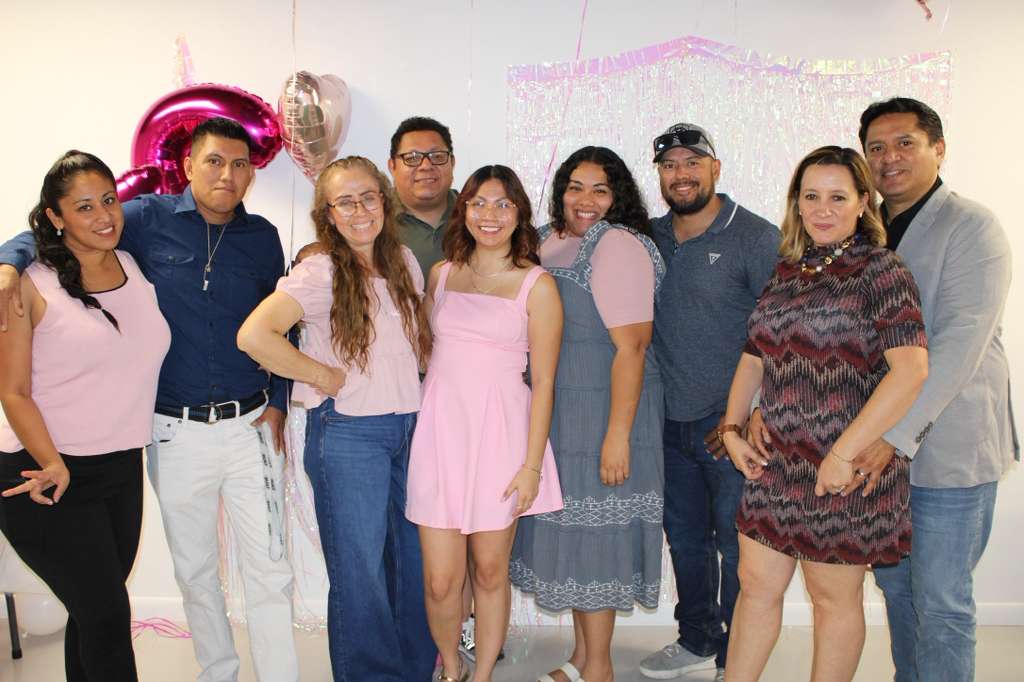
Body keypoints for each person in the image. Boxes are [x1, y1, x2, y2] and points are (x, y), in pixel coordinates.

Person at [0, 117, 299, 682]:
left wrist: (280, 399)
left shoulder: (261, 238)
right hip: (172, 432)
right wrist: (7, 263)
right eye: (214, 161)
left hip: (247, 425)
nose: (227, 175)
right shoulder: (142, 221)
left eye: (240, 165)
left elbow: (283, 322)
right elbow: (50, 234)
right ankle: (219, 674)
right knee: (192, 572)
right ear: (187, 165)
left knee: (269, 570)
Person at [721, 146, 929, 682]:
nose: (822, 208)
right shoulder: (790, 267)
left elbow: (911, 372)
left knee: (831, 600)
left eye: (838, 197)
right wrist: (732, 425)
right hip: (776, 461)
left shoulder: (881, 269)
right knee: (755, 585)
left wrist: (841, 453)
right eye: (811, 196)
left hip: (845, 465)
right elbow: (754, 354)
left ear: (864, 202)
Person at [236, 156, 436, 681]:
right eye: (345, 201)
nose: (360, 209)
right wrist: (326, 377)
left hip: (410, 431)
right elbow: (255, 336)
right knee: (360, 573)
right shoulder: (319, 270)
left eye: (368, 196)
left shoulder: (404, 262)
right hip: (350, 436)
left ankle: (414, 671)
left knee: (412, 564)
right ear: (328, 213)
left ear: (385, 200)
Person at [854, 97, 1015, 682]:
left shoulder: (972, 226)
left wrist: (892, 438)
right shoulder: (865, 232)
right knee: (897, 587)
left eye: (905, 143)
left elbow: (959, 346)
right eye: (876, 147)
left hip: (950, 446)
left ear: (938, 150)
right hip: (878, 450)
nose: (889, 157)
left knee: (943, 601)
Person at [0, 151, 170, 681]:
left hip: (119, 466)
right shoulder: (27, 284)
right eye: (83, 207)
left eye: (109, 200)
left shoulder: (133, 265)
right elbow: (13, 390)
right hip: (42, 470)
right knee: (107, 616)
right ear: (55, 216)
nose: (103, 216)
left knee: (92, 613)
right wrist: (51, 462)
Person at [510, 146, 666, 682]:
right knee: (575, 533)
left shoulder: (618, 245)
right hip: (562, 413)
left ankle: (598, 667)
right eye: (576, 186)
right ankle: (580, 658)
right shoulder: (552, 241)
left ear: (618, 196)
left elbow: (633, 348)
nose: (585, 199)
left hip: (604, 411)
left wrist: (617, 436)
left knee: (598, 540)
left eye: (601, 189)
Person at [406, 165, 565, 682]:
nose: (489, 214)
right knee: (440, 581)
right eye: (478, 203)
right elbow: (424, 353)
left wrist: (532, 467)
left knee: (491, 571)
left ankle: (482, 677)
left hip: (501, 440)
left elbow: (543, 383)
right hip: (440, 437)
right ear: (464, 209)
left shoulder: (537, 286)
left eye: (502, 204)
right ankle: (450, 667)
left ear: (519, 214)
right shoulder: (443, 275)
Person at [640, 124, 779, 682]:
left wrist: (758, 412)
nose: (682, 173)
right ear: (659, 175)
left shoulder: (754, 236)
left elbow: (781, 333)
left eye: (692, 162)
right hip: (664, 423)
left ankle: (734, 660)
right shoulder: (646, 237)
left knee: (736, 545)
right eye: (670, 164)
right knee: (686, 542)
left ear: (715, 168)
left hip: (730, 424)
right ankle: (697, 637)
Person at [388, 116, 459, 279]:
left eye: (437, 156)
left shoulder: (478, 216)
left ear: (452, 163)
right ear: (392, 166)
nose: (426, 166)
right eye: (412, 158)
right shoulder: (372, 219)